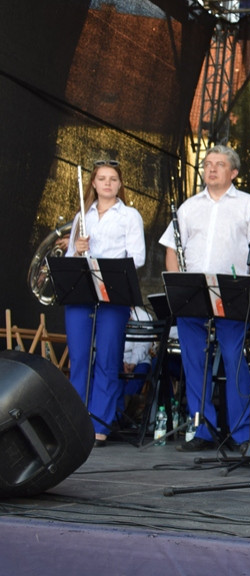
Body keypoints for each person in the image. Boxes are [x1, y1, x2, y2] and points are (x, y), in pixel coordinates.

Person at [159, 146, 250, 453]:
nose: (211, 169)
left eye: (219, 164)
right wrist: (177, 283)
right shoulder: (188, 206)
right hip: (192, 290)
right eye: (207, 164)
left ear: (234, 173)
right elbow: (171, 248)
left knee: (235, 360)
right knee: (193, 360)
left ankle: (243, 433)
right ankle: (202, 429)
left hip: (231, 290)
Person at [65, 160, 146, 446]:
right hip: (81, 292)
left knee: (108, 358)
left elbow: (138, 257)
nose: (107, 183)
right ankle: (76, 421)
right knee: (79, 358)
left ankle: (99, 423)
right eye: (102, 178)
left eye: (113, 179)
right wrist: (77, 249)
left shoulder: (130, 216)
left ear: (120, 184)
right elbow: (68, 263)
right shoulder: (81, 217)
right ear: (94, 184)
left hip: (113, 292)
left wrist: (103, 264)